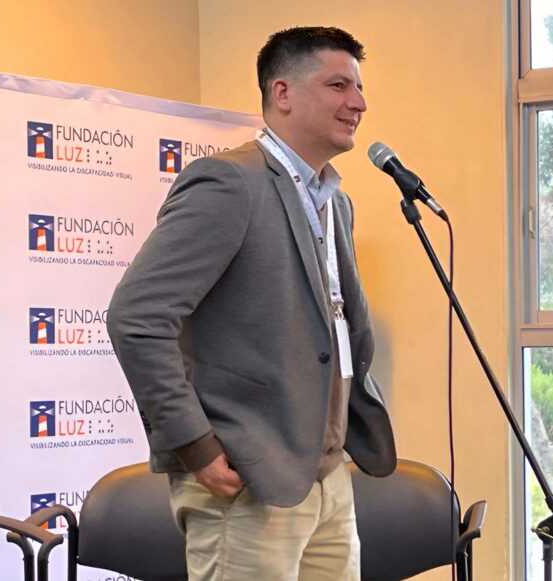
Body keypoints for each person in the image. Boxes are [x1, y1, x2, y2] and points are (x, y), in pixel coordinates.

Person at [107, 26, 395, 580]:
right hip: (248, 480)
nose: (358, 103)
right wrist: (195, 446)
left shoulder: (335, 203)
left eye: (359, 88)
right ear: (282, 93)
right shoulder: (228, 183)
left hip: (326, 478)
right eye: (339, 85)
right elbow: (137, 317)